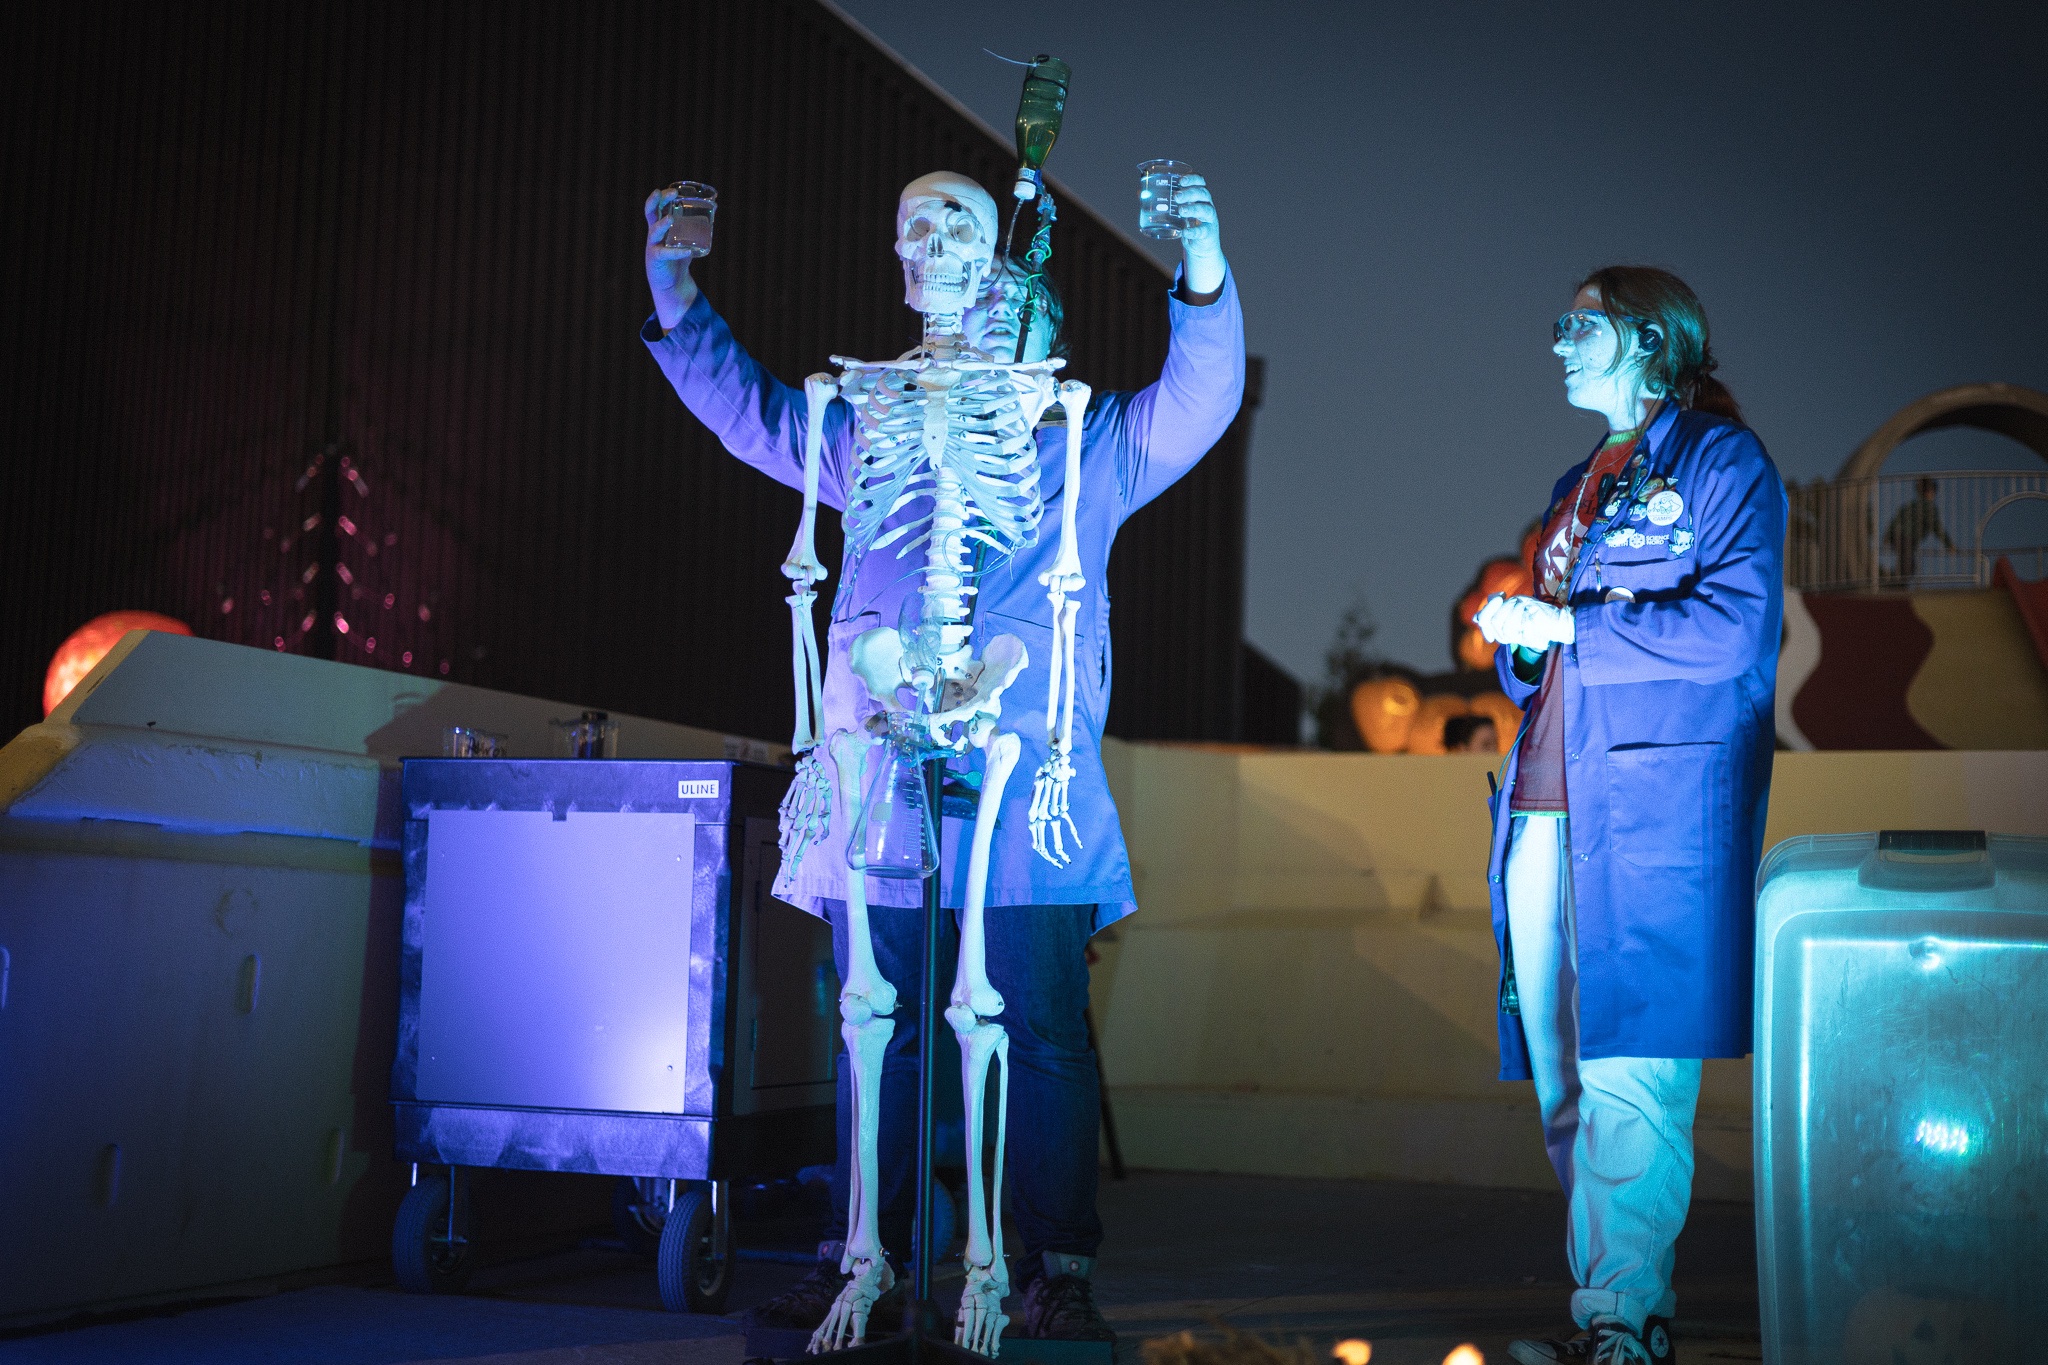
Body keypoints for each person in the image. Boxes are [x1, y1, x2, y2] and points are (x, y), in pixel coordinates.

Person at [641, 173, 1243, 1343]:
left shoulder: (1091, 450)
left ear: (1045, 339)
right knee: (884, 1024)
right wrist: (674, 291)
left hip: (1028, 784)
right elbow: (747, 411)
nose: (982, 317)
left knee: (1042, 1033)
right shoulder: (865, 431)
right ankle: (862, 1254)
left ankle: (1053, 1264)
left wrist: (1204, 274)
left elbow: (1199, 397)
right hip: (884, 772)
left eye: (1014, 305)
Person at [1473, 266, 1784, 1365]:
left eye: (1578, 326)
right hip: (1548, 799)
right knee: (1565, 1074)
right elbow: (1550, 658)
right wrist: (1521, 641)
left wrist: (1566, 635)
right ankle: (1613, 1303)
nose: (1555, 343)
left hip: (1650, 812)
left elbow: (1736, 632)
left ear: (1648, 339)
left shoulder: (1718, 461)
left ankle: (1623, 1321)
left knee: (1629, 1070)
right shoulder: (1577, 479)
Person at [1883, 475, 1953, 584]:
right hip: (1908, 537)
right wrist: (1949, 544)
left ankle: (1896, 582)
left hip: (1897, 536)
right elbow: (1936, 526)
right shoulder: (1929, 507)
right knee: (1907, 565)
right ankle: (1896, 585)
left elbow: (1896, 519)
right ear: (1930, 492)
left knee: (1905, 562)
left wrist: (1887, 536)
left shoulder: (1910, 505)